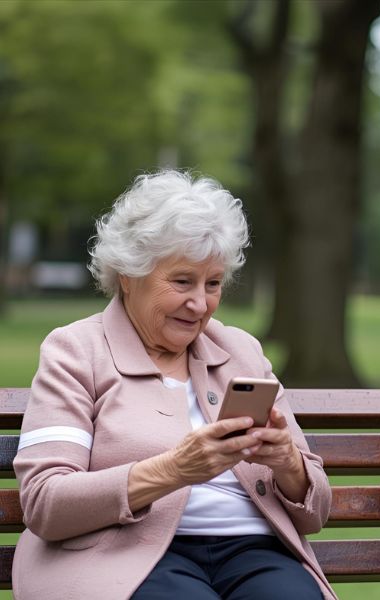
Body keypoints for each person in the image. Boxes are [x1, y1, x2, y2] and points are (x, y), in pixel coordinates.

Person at [13, 170, 336, 600]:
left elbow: (316, 511)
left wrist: (287, 462)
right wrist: (173, 470)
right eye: (182, 281)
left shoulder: (240, 350)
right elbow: (45, 502)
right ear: (129, 274)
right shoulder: (75, 351)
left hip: (254, 551)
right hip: (127, 554)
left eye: (213, 283)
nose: (200, 303)